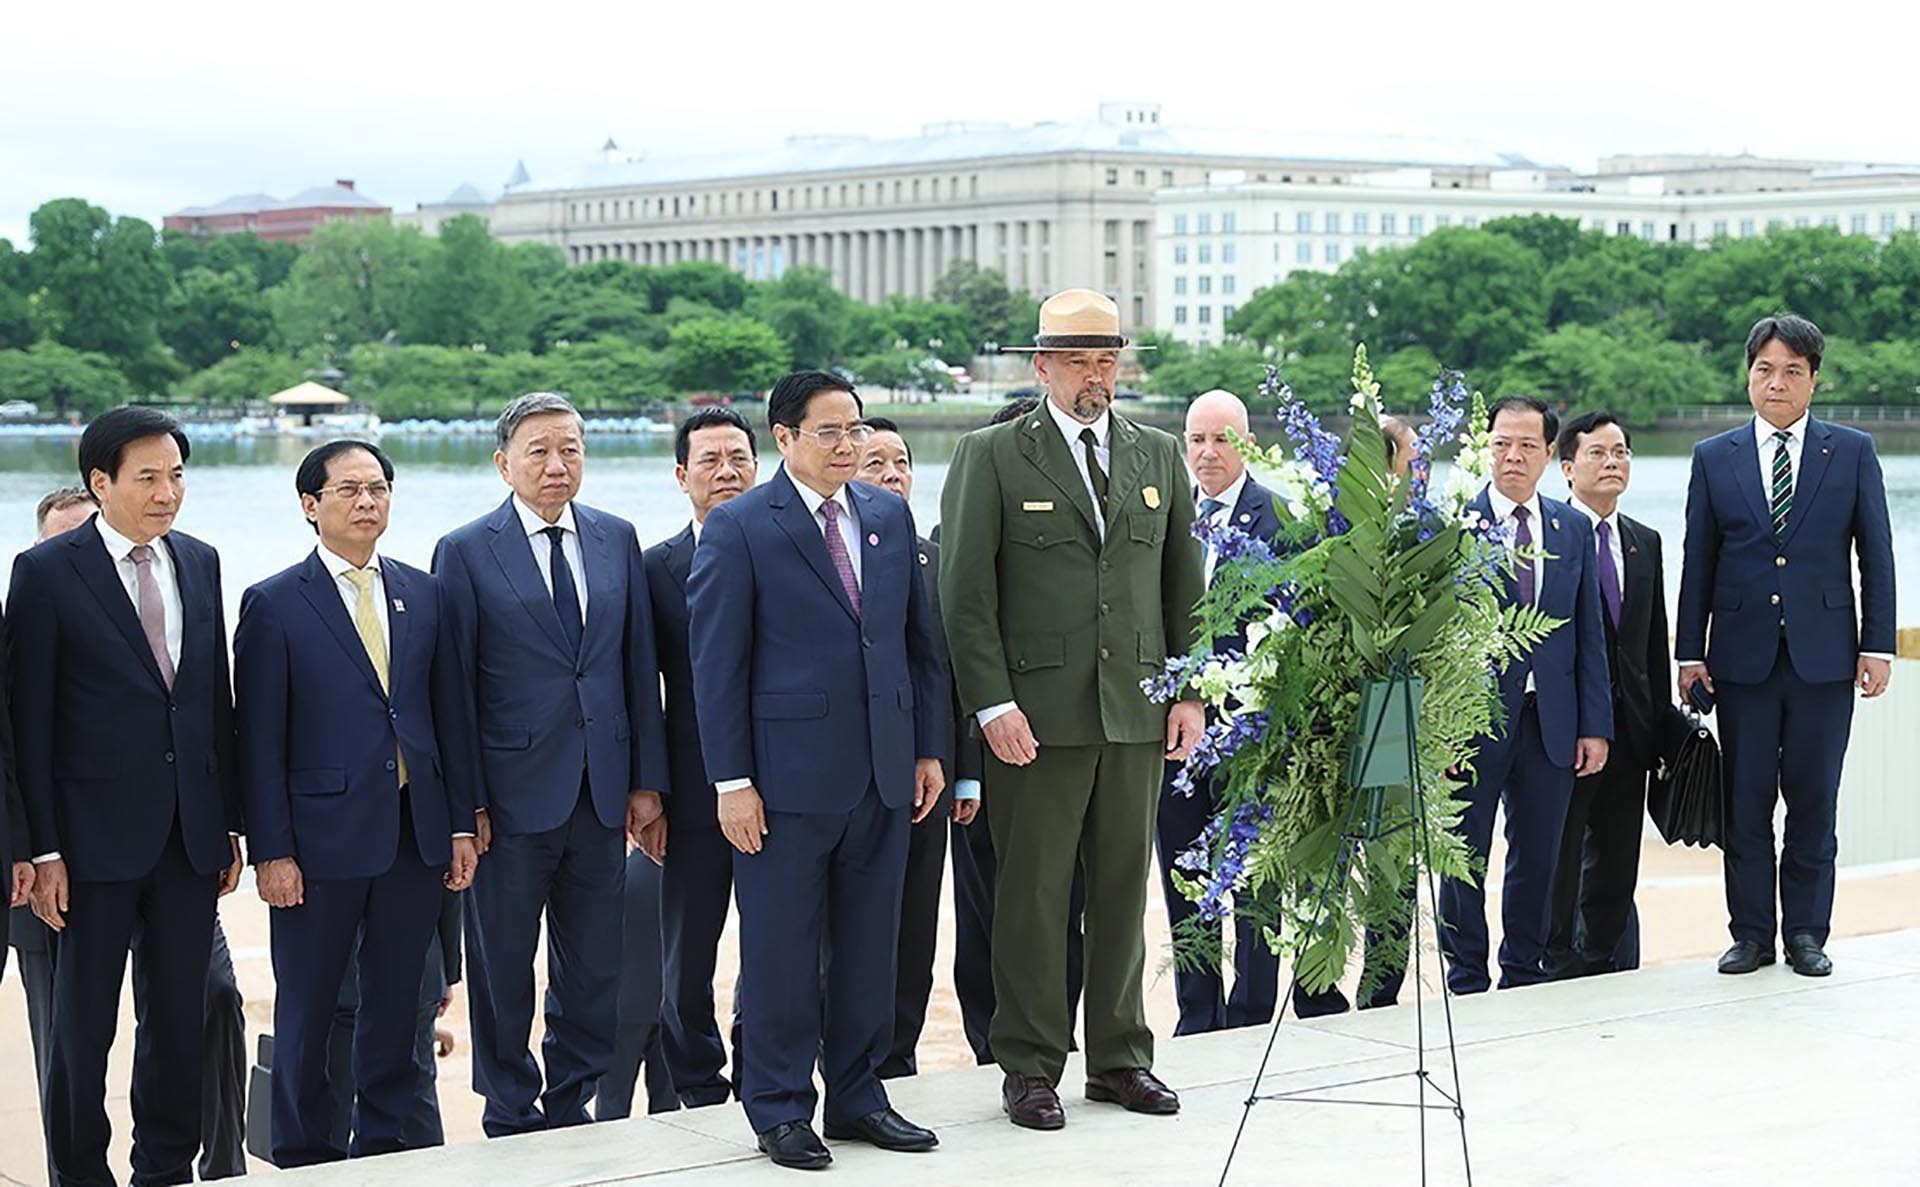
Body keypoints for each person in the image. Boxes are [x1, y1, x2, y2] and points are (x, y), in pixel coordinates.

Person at [940, 289, 1205, 1130]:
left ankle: (1121, 1056)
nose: (1096, 376)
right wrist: (991, 704)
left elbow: (1183, 587)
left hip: (1134, 709)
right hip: (1036, 718)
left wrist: (1190, 688)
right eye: (1078, 360)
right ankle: (1028, 1064)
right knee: (1034, 894)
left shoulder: (1159, 454)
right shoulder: (992, 454)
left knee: (1126, 890)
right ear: (1042, 366)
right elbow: (965, 596)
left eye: (1107, 359)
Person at [688, 370, 947, 1170]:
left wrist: (930, 747)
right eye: (830, 431)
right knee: (781, 954)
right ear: (786, 438)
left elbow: (918, 643)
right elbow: (715, 668)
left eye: (856, 430)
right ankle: (778, 1105)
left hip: (882, 770)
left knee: (872, 944)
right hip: (783, 783)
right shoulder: (740, 527)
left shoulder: (888, 515)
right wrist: (731, 781)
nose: (849, 445)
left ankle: (860, 1094)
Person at [10, 406, 246, 1187]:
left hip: (188, 837)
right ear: (99, 482)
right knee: (82, 1031)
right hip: (87, 845)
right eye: (148, 476)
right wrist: (42, 848)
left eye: (176, 474)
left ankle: (164, 1170)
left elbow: (213, 704)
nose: (167, 492)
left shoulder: (201, 560)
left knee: (177, 1023)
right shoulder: (45, 573)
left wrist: (229, 825)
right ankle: (79, 1174)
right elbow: (29, 720)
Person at [233, 439, 479, 1166]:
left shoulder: (424, 591)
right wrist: (272, 849)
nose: (368, 501)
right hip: (319, 843)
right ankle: (305, 1155)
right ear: (311, 506)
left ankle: (387, 1150)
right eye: (349, 490)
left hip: (413, 834)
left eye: (378, 488)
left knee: (399, 1007)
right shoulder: (275, 602)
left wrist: (461, 822)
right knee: (310, 1009)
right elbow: (260, 740)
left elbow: (449, 720)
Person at [432, 392, 671, 1136]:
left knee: (594, 966)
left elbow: (638, 668)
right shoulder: (466, 549)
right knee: (504, 967)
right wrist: (464, 804)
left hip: (600, 791)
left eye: (569, 447)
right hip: (506, 800)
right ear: (503, 462)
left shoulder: (616, 538)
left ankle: (572, 1101)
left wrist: (647, 782)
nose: (556, 464)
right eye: (538, 450)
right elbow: (455, 691)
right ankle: (509, 1107)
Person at [1677, 315, 1895, 978]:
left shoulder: (1851, 450)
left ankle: (1805, 932)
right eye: (1765, 369)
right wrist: (1690, 651)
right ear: (1749, 377)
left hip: (1826, 658)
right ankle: (1750, 934)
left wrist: (1877, 644)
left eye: (1792, 370)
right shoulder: (1714, 457)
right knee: (1744, 801)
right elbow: (1699, 562)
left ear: (1813, 379)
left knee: (1812, 799)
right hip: (1740, 661)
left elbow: (1877, 555)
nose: (1777, 382)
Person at [1439, 396, 1612, 994]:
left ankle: (1521, 968)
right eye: (1501, 445)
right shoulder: (1452, 526)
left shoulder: (1571, 528)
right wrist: (1437, 733)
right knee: (1465, 851)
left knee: (1540, 853)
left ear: (1548, 455)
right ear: (1486, 447)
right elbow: (1433, 638)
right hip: (1471, 721)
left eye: (1526, 446)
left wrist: (1596, 726)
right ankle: (1464, 972)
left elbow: (1589, 633)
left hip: (1553, 719)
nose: (1512, 457)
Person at [940, 397, 1088, 1068]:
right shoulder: (948, 544)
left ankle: (1062, 1032)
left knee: (1068, 905)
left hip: (1071, 744)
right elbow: (951, 662)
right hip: (985, 760)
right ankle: (989, 1041)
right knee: (987, 912)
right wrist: (967, 765)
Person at [857, 416, 983, 1079]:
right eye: (875, 462)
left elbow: (952, 672)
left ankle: (900, 1054)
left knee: (915, 924)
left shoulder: (937, 559)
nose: (892, 474)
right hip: (850, 775)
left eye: (901, 462)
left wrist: (961, 772)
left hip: (926, 776)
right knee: (853, 925)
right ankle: (853, 1055)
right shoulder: (836, 552)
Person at [1156, 390, 1282, 1034]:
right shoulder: (1165, 517)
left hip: (1253, 732)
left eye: (1220, 439)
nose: (1206, 453)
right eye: (1195, 440)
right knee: (1185, 873)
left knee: (1257, 880)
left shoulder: (1281, 520)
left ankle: (1254, 1010)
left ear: (1246, 442)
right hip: (1175, 734)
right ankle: (1197, 1013)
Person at [646, 407, 757, 1107]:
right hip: (691, 792)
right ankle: (694, 1082)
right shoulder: (655, 567)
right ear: (682, 476)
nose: (726, 471)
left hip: (785, 785)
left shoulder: (788, 547)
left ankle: (760, 1071)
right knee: (687, 953)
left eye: (738, 457)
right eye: (710, 461)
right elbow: (639, 687)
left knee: (779, 945)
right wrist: (649, 792)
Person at [1544, 412, 1672, 979]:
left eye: (1621, 452)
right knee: (1561, 852)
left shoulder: (1645, 542)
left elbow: (1650, 646)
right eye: (1598, 453)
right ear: (1568, 468)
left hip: (1631, 729)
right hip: (1565, 728)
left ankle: (1604, 959)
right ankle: (1554, 960)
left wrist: (1663, 728)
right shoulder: (1548, 536)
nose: (1613, 462)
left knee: (1619, 857)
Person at [9, 487, 96, 1185]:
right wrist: (30, 849)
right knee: (56, 1029)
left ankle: (214, 1161)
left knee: (214, 997)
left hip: (143, 848)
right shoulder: (24, 615)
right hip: (44, 856)